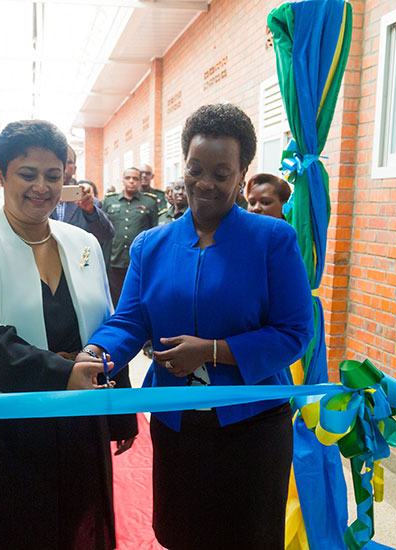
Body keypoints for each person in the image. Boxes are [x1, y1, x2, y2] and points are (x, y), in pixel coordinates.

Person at [79, 103, 314, 550]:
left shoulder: (272, 241)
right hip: (177, 421)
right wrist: (96, 355)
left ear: (242, 173)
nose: (204, 183)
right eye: (195, 169)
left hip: (253, 424)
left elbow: (294, 332)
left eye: (221, 173)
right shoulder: (153, 244)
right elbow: (130, 320)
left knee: (248, 536)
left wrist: (212, 351)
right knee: (181, 531)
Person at [0, 120, 137, 550]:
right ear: (1, 174)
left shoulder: (82, 242)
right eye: (27, 174)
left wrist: (119, 408)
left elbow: (106, 324)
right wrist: (64, 374)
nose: (42, 187)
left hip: (73, 418)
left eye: (53, 176)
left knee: (72, 525)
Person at [101, 167, 157, 306]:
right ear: (122, 180)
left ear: (139, 181)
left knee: (136, 301)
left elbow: (154, 231)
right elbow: (101, 229)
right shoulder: (109, 201)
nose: (131, 181)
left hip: (139, 261)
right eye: (128, 178)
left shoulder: (149, 202)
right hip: (114, 260)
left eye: (135, 178)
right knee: (114, 300)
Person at [50, 146, 115, 250]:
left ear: (74, 169)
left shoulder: (90, 203)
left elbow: (106, 236)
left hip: (78, 262)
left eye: (67, 161)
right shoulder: (37, 198)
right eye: (57, 160)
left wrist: (91, 212)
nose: (62, 165)